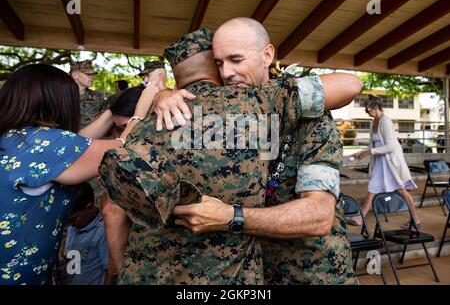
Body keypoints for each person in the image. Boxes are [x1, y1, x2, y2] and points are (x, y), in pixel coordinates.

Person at [100, 28, 360, 284]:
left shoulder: (308, 117)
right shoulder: (196, 115)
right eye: (218, 63)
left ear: (267, 56)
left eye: (236, 60)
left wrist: (231, 217)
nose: (227, 73)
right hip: (253, 273)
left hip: (310, 273)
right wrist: (163, 95)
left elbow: (318, 216)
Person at [0, 64, 158, 285]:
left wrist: (114, 109)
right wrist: (141, 111)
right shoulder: (45, 143)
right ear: (58, 102)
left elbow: (77, 140)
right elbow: (122, 151)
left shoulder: (18, 139)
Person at [351, 95, 420, 227]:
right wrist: (361, 153)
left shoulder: (385, 121)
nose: (367, 113)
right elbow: (374, 145)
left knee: (401, 190)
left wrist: (369, 152)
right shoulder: (374, 122)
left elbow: (391, 146)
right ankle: (360, 217)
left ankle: (415, 218)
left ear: (375, 107)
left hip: (390, 164)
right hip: (380, 163)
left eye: (368, 110)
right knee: (373, 187)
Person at [61, 183, 109, 285]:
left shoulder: (103, 232)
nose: (69, 224)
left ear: (90, 207)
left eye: (73, 219)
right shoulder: (74, 226)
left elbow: (111, 270)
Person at [70, 60, 108, 129]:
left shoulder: (98, 97)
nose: (92, 77)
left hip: (92, 138)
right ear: (75, 75)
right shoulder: (61, 96)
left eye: (93, 74)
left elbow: (106, 121)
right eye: (88, 74)